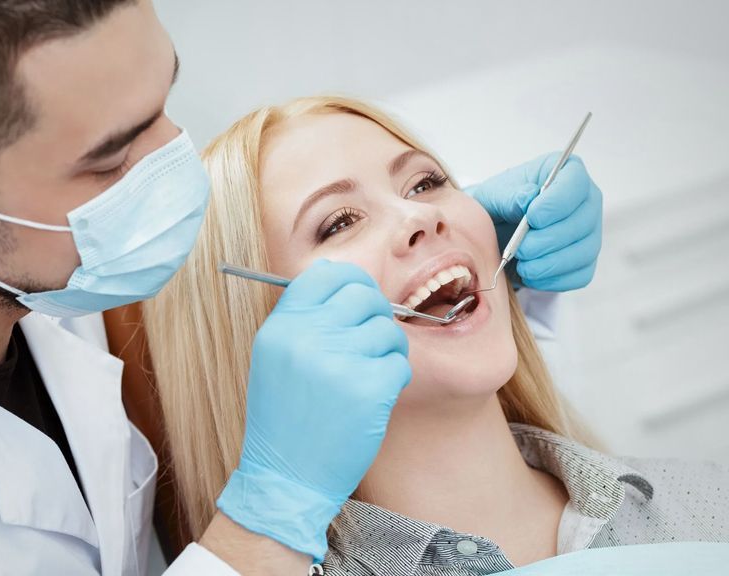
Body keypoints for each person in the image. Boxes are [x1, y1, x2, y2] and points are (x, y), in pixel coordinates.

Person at [0, 2, 604, 575]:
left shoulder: (62, 289)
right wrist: (270, 513)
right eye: (113, 158)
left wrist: (479, 276)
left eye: (167, 102)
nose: (175, 163)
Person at [143, 95, 729, 575]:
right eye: (339, 222)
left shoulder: (710, 501)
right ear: (262, 339)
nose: (419, 216)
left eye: (424, 183)